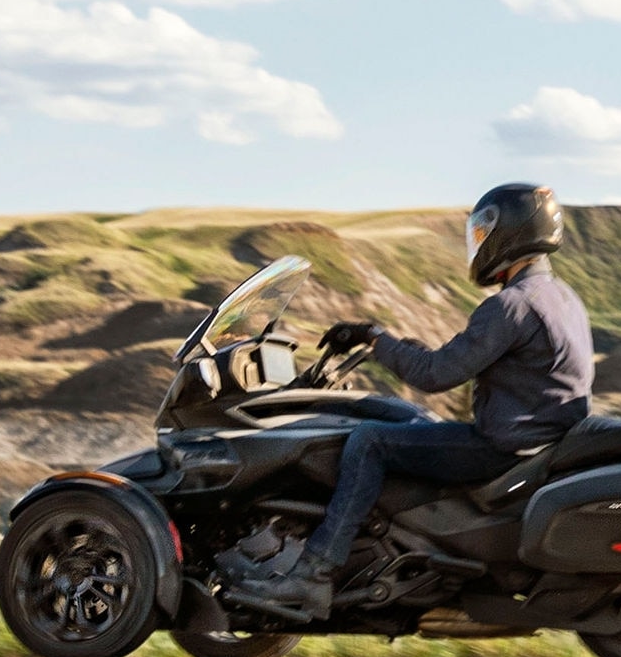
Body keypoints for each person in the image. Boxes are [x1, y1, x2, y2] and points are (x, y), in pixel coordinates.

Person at [221, 183, 594, 619]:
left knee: (368, 441)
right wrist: (393, 345)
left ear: (510, 232)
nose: (478, 244)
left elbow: (435, 375)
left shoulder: (511, 305)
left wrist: (375, 339)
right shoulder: (561, 297)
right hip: (543, 439)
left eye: (482, 233)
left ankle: (314, 573)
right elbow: (460, 359)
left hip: (504, 447)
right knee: (394, 414)